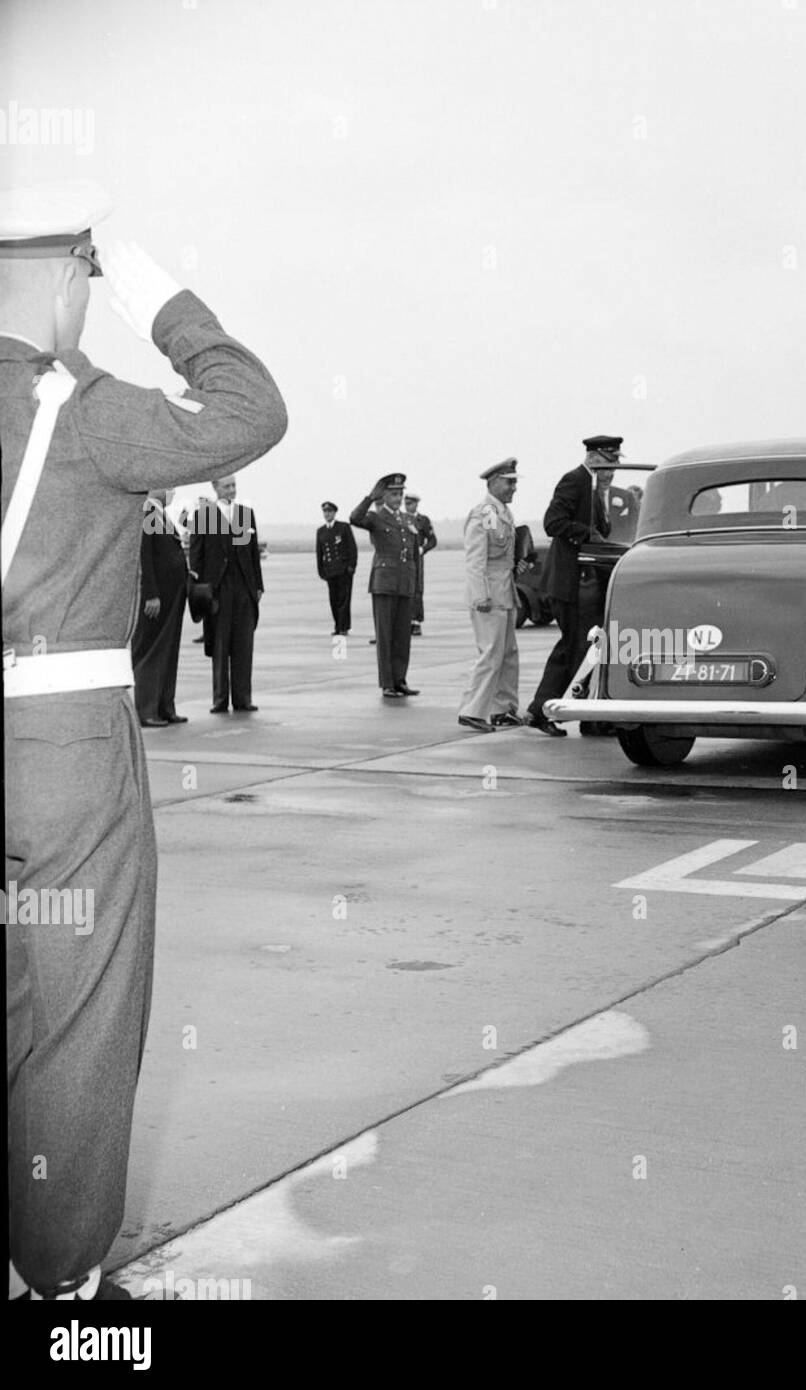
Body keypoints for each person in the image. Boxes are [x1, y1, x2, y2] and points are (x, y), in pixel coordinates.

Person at [2, 182, 286, 1303]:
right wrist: (161, 299)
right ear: (71, 277)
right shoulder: (80, 405)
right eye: (90, 277)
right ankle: (65, 1284)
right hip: (63, 744)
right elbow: (250, 410)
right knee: (78, 1003)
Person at [526, 434, 619, 735]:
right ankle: (543, 710)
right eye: (607, 464)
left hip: (588, 583)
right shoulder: (574, 481)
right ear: (592, 458)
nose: (611, 471)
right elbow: (553, 522)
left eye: (614, 464)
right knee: (574, 649)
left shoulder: (596, 490)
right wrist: (586, 533)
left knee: (586, 649)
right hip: (572, 584)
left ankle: (590, 716)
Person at [458, 459, 530, 731]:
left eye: (515, 482)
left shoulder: (502, 512)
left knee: (508, 653)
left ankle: (504, 709)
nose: (514, 487)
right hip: (489, 594)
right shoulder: (486, 512)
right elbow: (475, 560)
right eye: (509, 482)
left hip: (504, 591)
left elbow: (503, 555)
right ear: (494, 481)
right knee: (490, 653)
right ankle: (472, 710)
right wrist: (480, 596)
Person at [188, 476, 264, 713]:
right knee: (220, 645)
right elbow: (196, 554)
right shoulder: (203, 516)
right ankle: (220, 699)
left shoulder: (245, 514)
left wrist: (258, 586)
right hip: (217, 590)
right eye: (226, 486)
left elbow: (253, 552)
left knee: (243, 644)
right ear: (215, 488)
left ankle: (243, 698)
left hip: (243, 588)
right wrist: (197, 589)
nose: (231, 490)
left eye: (234, 486)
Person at [350, 474, 420, 696]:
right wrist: (371, 497)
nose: (398, 498)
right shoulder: (375, 517)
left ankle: (400, 679)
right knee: (385, 635)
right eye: (393, 494)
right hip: (385, 582)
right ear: (384, 496)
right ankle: (387, 683)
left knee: (402, 636)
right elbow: (354, 517)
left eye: (400, 494)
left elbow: (413, 555)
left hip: (404, 582)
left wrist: (415, 584)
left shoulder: (408, 520)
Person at [131, 489, 189, 725]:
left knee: (168, 650)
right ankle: (147, 710)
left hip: (172, 595)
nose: (171, 491)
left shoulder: (160, 513)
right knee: (152, 652)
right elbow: (144, 557)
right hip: (157, 598)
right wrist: (151, 594)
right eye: (166, 486)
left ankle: (165, 706)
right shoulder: (148, 513)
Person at [315, 500, 357, 636]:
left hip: (344, 570)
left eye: (329, 512)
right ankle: (338, 625)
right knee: (334, 600)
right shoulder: (321, 531)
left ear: (334, 513)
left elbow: (352, 548)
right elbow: (319, 553)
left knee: (344, 600)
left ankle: (343, 627)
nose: (327, 514)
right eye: (325, 512)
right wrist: (321, 571)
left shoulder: (343, 527)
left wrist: (351, 566)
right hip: (330, 571)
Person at [403, 492, 437, 637]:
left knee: (417, 589)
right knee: (404, 589)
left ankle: (416, 621)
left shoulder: (422, 520)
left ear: (416, 504)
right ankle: (406, 621)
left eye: (411, 503)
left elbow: (433, 540)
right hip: (403, 559)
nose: (408, 506)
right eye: (406, 503)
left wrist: (423, 549)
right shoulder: (401, 519)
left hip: (417, 558)